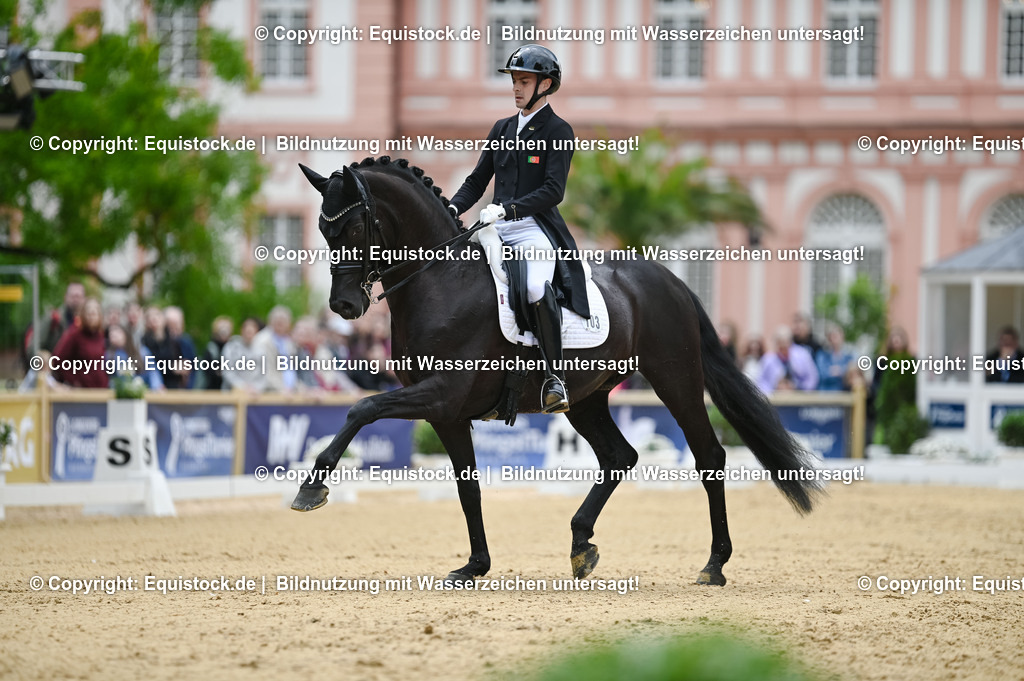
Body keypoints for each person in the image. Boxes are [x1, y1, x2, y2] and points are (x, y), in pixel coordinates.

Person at [448, 44, 589, 414]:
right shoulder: (502, 128)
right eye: (514, 80)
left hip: (531, 228)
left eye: (524, 81)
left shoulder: (558, 130)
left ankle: (554, 378)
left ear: (545, 85)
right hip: (494, 225)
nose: (516, 88)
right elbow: (478, 180)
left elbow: (552, 191)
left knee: (533, 287)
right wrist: (451, 207)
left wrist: (509, 208)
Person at [52, 298, 108, 388]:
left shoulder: (100, 336)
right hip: (82, 391)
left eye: (95, 313)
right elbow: (58, 360)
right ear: (83, 315)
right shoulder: (74, 335)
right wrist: (74, 380)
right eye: (89, 313)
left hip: (100, 388)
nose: (92, 316)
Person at [757, 325, 819, 394]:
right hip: (775, 400)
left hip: (800, 399)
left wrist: (798, 388)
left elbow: (812, 377)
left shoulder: (803, 355)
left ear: (790, 341)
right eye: (779, 342)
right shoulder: (768, 359)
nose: (783, 345)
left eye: (785, 342)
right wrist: (774, 389)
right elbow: (762, 382)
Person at [222, 317, 266, 393]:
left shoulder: (261, 350)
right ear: (242, 330)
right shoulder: (231, 347)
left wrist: (256, 388)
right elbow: (227, 371)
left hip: (255, 394)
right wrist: (242, 386)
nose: (249, 334)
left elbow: (264, 375)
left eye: (251, 331)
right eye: (247, 331)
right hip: (232, 392)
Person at [815, 324, 856, 391]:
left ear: (842, 337)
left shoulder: (849, 355)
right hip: (825, 393)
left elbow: (852, 374)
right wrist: (841, 372)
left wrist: (837, 371)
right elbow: (820, 375)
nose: (834, 340)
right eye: (832, 336)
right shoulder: (822, 355)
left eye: (836, 336)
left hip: (843, 393)